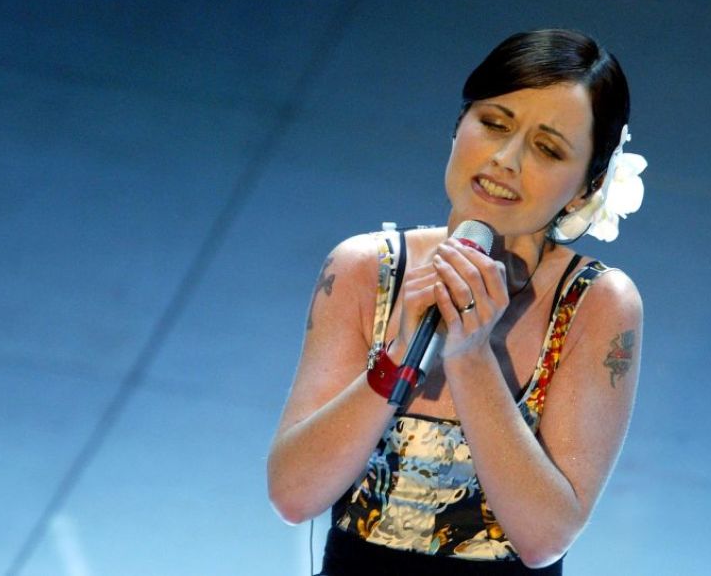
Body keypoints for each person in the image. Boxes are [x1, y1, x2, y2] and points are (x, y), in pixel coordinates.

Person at [267, 28, 647, 575]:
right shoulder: (363, 271)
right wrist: (396, 355)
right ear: (458, 126)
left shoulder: (598, 306)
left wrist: (470, 357)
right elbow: (293, 494)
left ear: (588, 187)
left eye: (547, 148)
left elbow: (544, 537)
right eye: (493, 123)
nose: (506, 159)